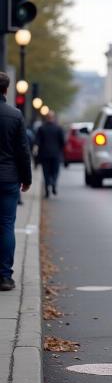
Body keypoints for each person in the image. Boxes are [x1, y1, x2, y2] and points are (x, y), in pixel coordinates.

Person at [0, 72, 32, 291]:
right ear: (7, 90)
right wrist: (26, 178)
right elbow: (23, 150)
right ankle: (4, 276)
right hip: (8, 178)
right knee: (6, 225)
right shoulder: (15, 115)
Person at [36, 110, 64, 198]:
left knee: (46, 172)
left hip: (44, 154)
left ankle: (47, 188)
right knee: (55, 171)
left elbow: (37, 142)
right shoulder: (58, 128)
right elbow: (62, 141)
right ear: (53, 118)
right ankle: (54, 183)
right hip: (55, 154)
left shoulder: (41, 128)